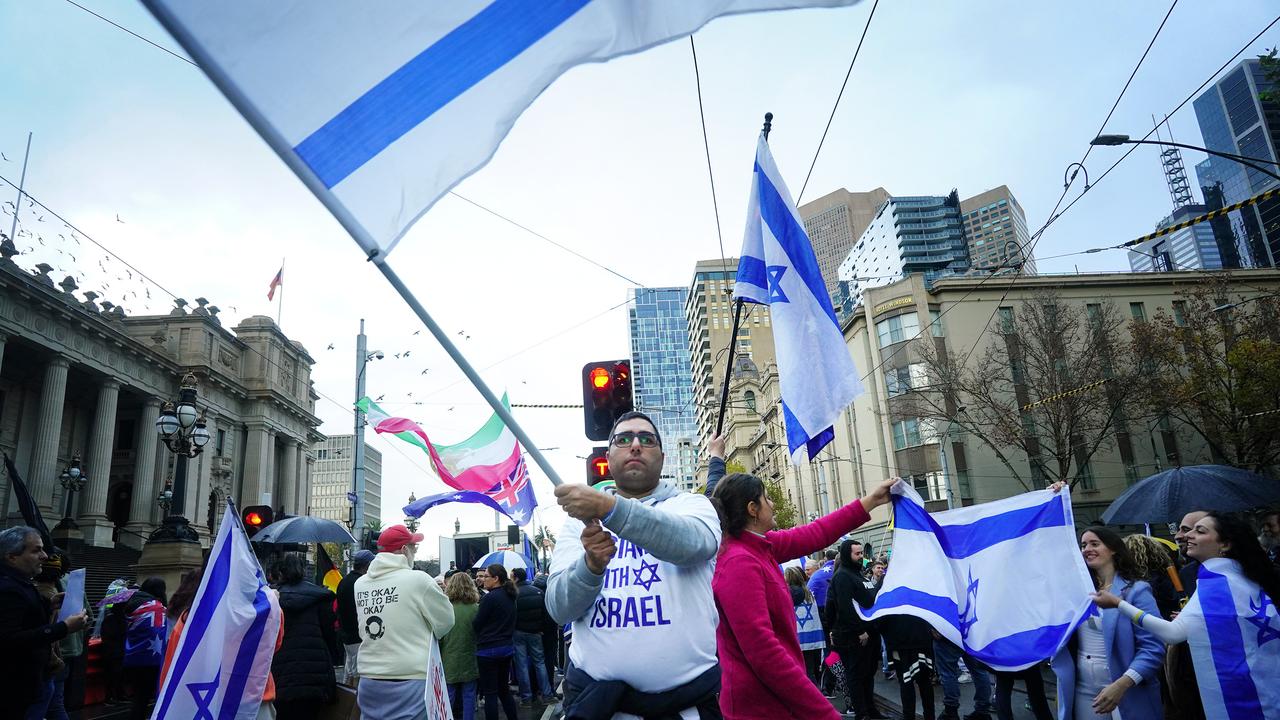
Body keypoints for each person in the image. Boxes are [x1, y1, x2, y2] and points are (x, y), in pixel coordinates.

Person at [548, 411, 723, 719]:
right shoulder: (578, 525)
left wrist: (609, 508)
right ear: (608, 455)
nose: (636, 445)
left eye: (647, 439)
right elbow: (559, 608)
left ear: (663, 456)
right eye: (624, 439)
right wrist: (589, 567)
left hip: (688, 708)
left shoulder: (691, 505)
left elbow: (695, 544)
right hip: (598, 707)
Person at [710, 471, 894, 720]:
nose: (772, 504)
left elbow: (817, 532)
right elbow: (764, 653)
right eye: (766, 498)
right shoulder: (739, 562)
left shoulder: (762, 545)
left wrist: (871, 500)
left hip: (775, 700)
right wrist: (824, 713)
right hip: (758, 707)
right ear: (752, 509)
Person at [1094, 511, 1280, 720]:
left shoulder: (1217, 584)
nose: (1187, 536)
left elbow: (1172, 633)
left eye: (1199, 531)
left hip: (1238, 696)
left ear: (1225, 544)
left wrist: (1119, 604)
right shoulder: (1242, 577)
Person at [1051, 527, 1163, 720]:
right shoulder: (1079, 593)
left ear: (1113, 549)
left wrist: (1122, 684)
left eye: (1095, 544)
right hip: (1083, 690)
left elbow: (1153, 647)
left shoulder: (1137, 591)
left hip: (1126, 689)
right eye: (1083, 545)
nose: (1087, 549)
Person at [355, 524, 456, 720]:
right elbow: (446, 621)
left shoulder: (360, 584)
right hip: (410, 677)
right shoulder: (418, 580)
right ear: (403, 550)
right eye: (413, 549)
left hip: (369, 676)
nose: (414, 554)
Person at [0, 527, 87, 720]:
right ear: (12, 556)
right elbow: (9, 639)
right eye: (36, 550)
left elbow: (23, 619)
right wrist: (63, 628)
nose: (45, 556)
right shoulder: (8, 588)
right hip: (13, 686)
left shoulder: (20, 583)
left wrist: (49, 605)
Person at [272, 554, 340, 720]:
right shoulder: (319, 597)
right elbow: (330, 635)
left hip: (281, 672)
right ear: (303, 571)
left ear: (281, 573)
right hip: (314, 672)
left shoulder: (272, 598)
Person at [828, 538, 884, 720]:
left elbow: (868, 597)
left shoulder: (858, 573)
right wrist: (860, 630)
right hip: (853, 636)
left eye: (862, 553)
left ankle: (870, 709)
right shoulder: (842, 576)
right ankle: (862, 713)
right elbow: (845, 607)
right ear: (847, 554)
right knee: (856, 675)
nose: (861, 557)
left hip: (869, 633)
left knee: (868, 674)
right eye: (857, 553)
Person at [473, 564, 518, 720]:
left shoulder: (489, 598)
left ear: (496, 578)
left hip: (488, 650)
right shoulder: (510, 596)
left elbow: (477, 623)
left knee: (490, 693)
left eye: (486, 576)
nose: (482, 579)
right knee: (504, 690)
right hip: (506, 647)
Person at [121, 577, 169, 720]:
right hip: (151, 661)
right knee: (147, 700)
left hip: (131, 657)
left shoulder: (131, 603)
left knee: (139, 699)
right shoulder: (157, 607)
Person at [511, 566, 554, 705]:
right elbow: (545, 614)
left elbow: (511, 615)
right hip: (536, 633)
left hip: (518, 633)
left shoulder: (513, 594)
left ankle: (526, 698)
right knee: (540, 663)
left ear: (516, 578)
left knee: (522, 665)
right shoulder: (538, 592)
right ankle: (547, 695)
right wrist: (541, 628)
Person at [441, 572, 480, 720]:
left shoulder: (445, 608)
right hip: (470, 657)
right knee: (469, 695)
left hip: (448, 658)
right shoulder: (476, 608)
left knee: (448, 695)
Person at [336, 549, 374, 687]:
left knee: (350, 669)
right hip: (357, 635)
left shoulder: (343, 581)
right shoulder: (361, 583)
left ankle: (345, 700)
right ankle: (353, 705)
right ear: (367, 565)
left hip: (346, 634)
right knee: (357, 674)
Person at [785, 566, 826, 685]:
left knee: (797, 670)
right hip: (812, 636)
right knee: (810, 670)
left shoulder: (787, 594)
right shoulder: (808, 593)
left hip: (796, 636)